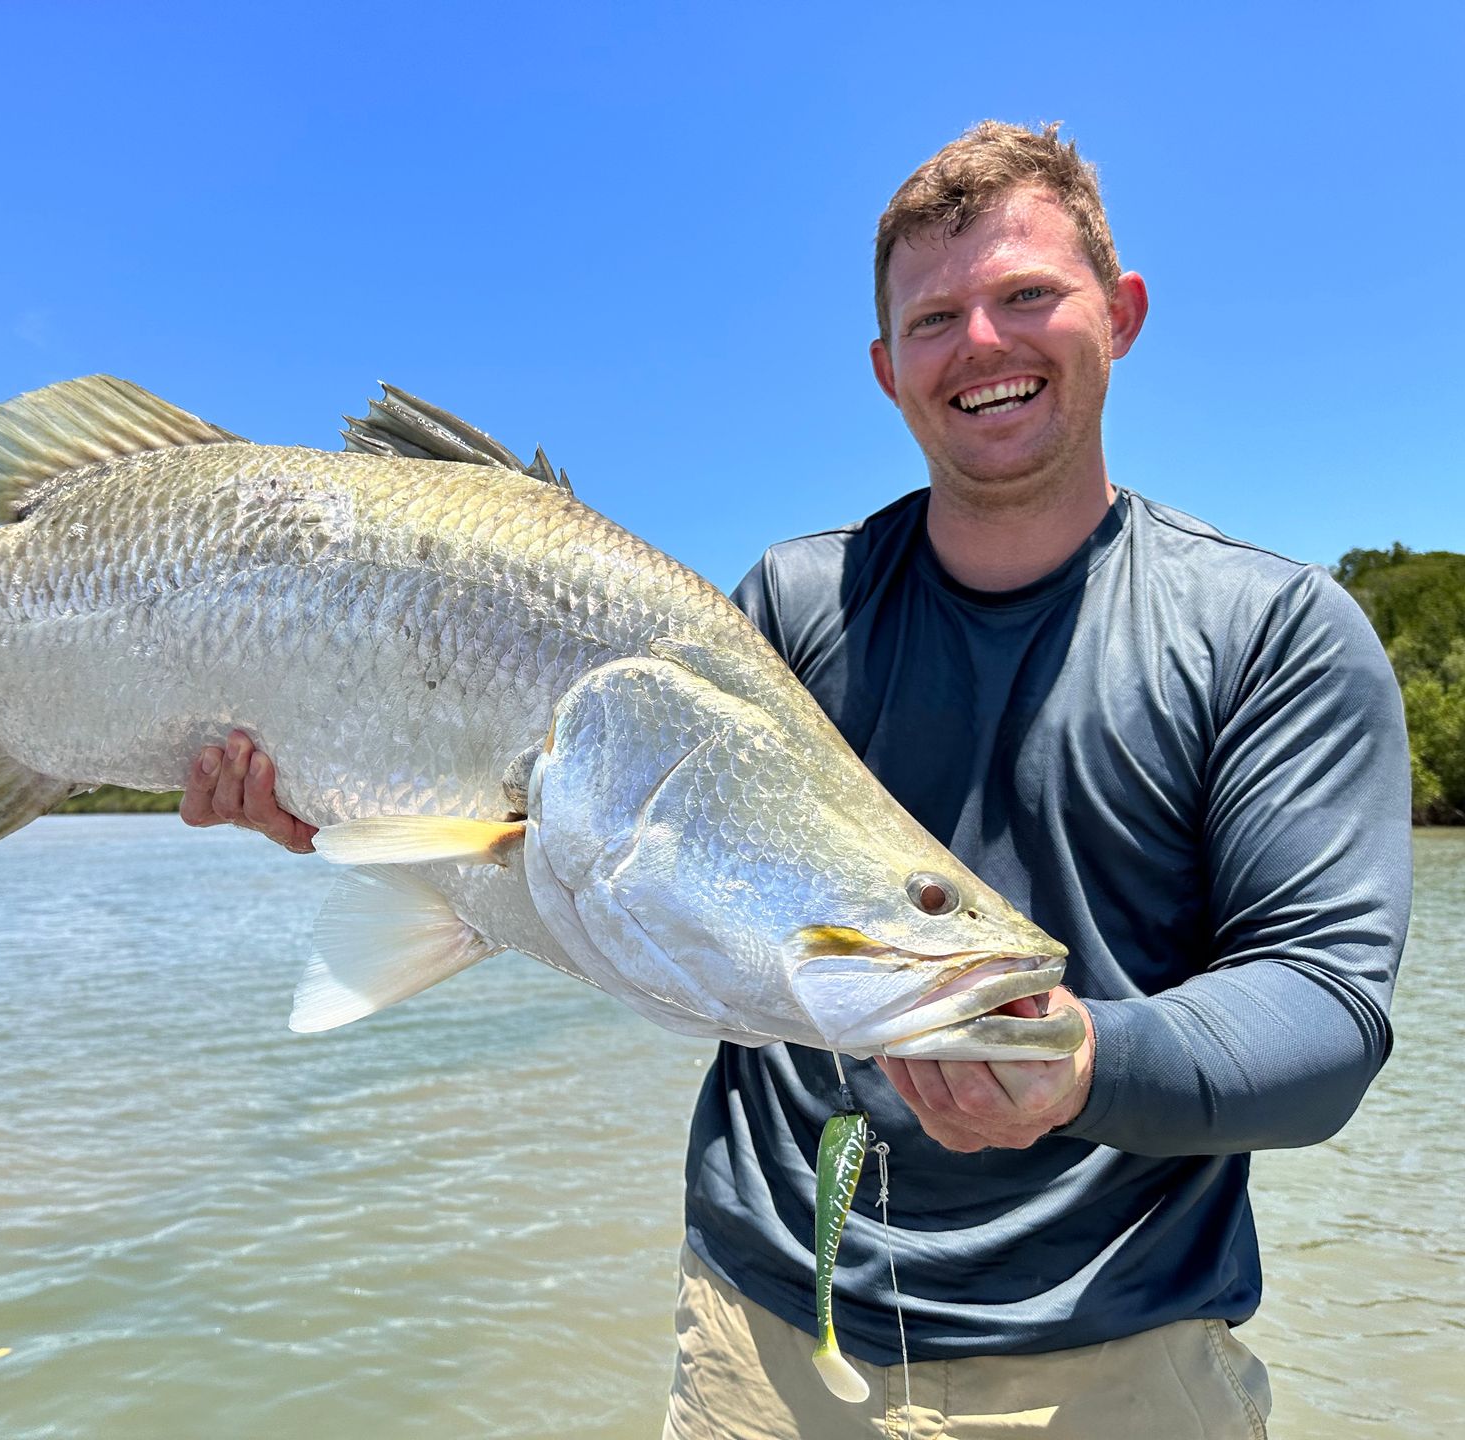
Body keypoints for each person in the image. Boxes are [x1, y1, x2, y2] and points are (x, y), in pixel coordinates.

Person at [180, 122, 1412, 1439]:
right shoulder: (789, 605)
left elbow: (1327, 1009)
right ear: (888, 371)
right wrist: (342, 796)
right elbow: (582, 859)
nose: (984, 343)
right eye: (936, 317)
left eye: (1029, 296)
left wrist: (1086, 1063)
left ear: (1123, 313)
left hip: (1116, 1362)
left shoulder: (1274, 629)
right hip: (758, 1347)